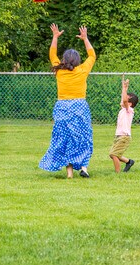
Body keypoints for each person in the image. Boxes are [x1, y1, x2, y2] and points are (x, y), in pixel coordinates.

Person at [39, 23, 96, 179]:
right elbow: (92, 56)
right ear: (77, 60)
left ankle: (70, 172)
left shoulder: (59, 71)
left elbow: (52, 53)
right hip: (79, 106)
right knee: (83, 137)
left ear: (64, 59)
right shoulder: (83, 70)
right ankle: (84, 167)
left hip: (62, 107)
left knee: (64, 138)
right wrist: (85, 39)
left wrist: (55, 37)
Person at [109, 77, 139, 173]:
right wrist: (123, 87)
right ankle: (129, 162)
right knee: (112, 154)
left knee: (114, 155)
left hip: (124, 137)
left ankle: (117, 173)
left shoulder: (129, 110)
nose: (123, 99)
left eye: (126, 98)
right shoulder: (123, 110)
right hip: (119, 136)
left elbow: (125, 101)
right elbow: (124, 99)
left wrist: (125, 89)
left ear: (130, 103)